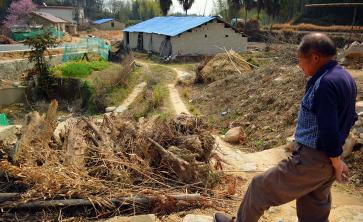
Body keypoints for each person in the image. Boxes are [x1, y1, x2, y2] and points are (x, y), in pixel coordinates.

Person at [214, 33, 357, 222]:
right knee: (313, 211)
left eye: (300, 60)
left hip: (311, 160)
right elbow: (349, 118)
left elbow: (329, 130)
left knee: (260, 187)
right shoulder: (345, 78)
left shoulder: (325, 84)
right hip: (325, 163)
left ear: (315, 57)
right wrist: (335, 160)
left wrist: (336, 162)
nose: (299, 65)